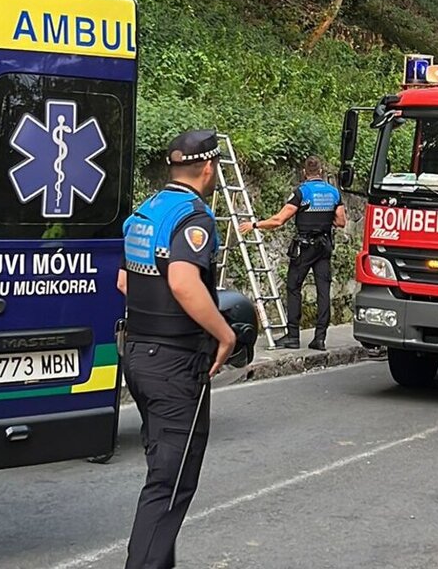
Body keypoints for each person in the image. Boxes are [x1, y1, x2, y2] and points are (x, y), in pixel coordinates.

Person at [119, 129, 236, 569]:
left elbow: (125, 280)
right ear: (209, 169)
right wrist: (224, 333)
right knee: (169, 487)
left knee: (163, 473)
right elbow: (183, 282)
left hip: (139, 355)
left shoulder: (144, 213)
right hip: (174, 364)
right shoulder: (194, 218)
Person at [241, 155, 345, 351]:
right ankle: (320, 338)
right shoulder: (333, 192)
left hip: (305, 247)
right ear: (321, 172)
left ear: (305, 173)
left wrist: (254, 224)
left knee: (293, 287)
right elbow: (341, 222)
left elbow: (279, 220)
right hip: (324, 246)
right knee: (324, 291)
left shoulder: (302, 192)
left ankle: (293, 336)